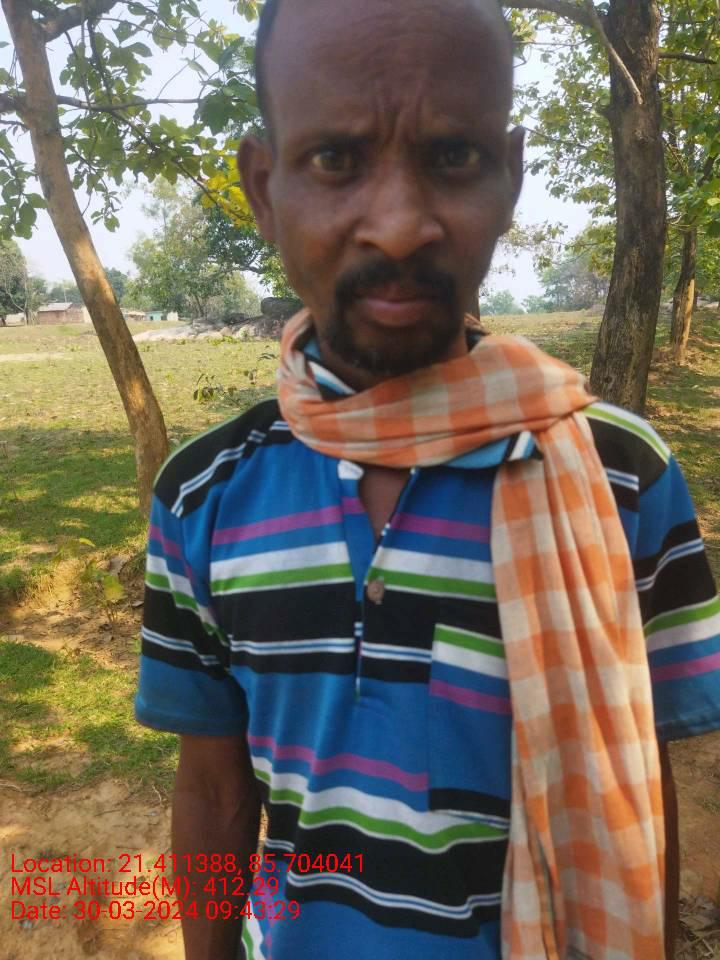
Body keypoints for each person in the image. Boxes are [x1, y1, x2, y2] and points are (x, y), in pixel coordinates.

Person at [134, 0, 720, 958]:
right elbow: (211, 789)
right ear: (264, 187)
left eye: (452, 155)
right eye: (337, 158)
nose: (401, 227)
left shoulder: (623, 480)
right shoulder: (202, 496)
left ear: (511, 178)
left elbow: (634, 792)